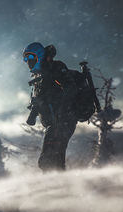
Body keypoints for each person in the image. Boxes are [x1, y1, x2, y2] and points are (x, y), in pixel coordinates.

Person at [23, 42, 79, 171]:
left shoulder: (56, 68)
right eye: (26, 58)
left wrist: (50, 101)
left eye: (31, 57)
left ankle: (54, 186)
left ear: (40, 56)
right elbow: (41, 99)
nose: (28, 61)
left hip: (63, 121)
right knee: (54, 160)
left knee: (48, 160)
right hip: (54, 123)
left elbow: (70, 89)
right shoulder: (40, 75)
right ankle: (58, 187)